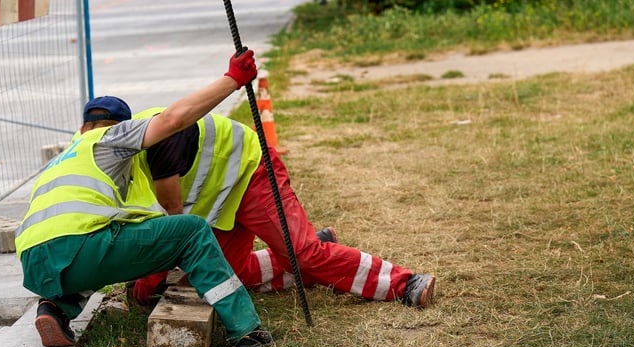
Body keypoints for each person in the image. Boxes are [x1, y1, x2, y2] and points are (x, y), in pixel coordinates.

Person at [14, 49, 274, 347]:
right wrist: (232, 80)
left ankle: (53, 309)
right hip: (78, 246)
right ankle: (245, 331)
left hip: (35, 262)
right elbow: (172, 120)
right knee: (191, 231)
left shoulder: (66, 156)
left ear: (83, 126)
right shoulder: (113, 137)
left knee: (93, 256)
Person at [128, 110, 436, 307]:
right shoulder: (121, 165)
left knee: (303, 253)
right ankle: (321, 258)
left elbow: (172, 224)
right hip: (220, 200)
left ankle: (404, 282)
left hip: (250, 172)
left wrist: (149, 277)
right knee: (224, 276)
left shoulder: (156, 141)